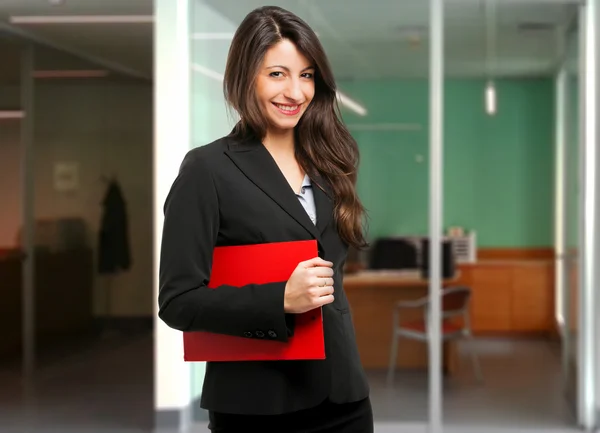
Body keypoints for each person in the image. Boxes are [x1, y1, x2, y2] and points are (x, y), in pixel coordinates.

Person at [158, 5, 373, 433]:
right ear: (245, 76)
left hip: (344, 397)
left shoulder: (330, 164)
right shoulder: (207, 169)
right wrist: (279, 299)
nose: (295, 91)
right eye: (278, 74)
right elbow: (177, 301)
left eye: (307, 75)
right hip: (258, 406)